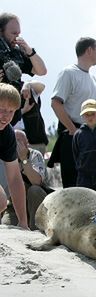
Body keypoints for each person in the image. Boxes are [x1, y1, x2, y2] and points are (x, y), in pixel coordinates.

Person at [51, 37, 96, 188]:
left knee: (92, 187)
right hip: (73, 137)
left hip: (91, 136)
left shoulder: (93, 78)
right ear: (89, 50)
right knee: (73, 187)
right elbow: (55, 103)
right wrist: (74, 130)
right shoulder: (68, 73)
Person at [0, 13, 46, 125]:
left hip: (12, 116)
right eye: (13, 33)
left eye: (19, 33)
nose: (17, 37)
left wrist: (29, 51)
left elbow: (41, 71)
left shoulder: (16, 53)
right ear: (1, 31)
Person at [1, 129, 49, 230]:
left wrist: (24, 159)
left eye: (19, 141)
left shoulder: (35, 154)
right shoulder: (6, 156)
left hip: (35, 202)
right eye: (14, 141)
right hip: (13, 205)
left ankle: (36, 228)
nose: (16, 145)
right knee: (7, 227)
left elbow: (36, 181)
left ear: (26, 142)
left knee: (35, 190)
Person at [0, 83, 27, 229]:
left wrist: (23, 222)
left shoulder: (7, 133)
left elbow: (15, 179)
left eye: (11, 111)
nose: (6, 117)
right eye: (2, 110)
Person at [72, 99, 96, 201]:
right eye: (87, 114)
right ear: (82, 116)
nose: (90, 117)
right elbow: (75, 155)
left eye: (92, 114)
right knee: (84, 203)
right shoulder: (78, 135)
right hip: (84, 177)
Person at [20, 80, 48, 155]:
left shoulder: (25, 87)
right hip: (15, 143)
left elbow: (41, 86)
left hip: (36, 143)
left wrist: (27, 84)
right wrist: (22, 111)